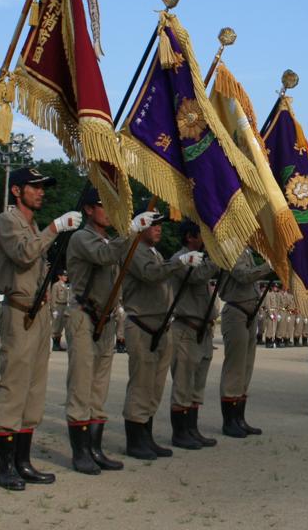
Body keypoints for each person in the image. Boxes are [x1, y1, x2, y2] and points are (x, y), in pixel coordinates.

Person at [0, 167, 82, 490]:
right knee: (14, 386)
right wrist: (55, 228)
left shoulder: (30, 224)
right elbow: (25, 253)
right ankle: (6, 467)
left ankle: (23, 461)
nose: (41, 192)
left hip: (40, 313)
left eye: (43, 187)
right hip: (18, 311)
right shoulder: (6, 221)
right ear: (17, 190)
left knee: (34, 388)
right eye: (35, 186)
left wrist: (51, 231)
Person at [64, 189, 157, 474]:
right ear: (89, 210)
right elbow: (104, 256)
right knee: (82, 385)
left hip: (105, 318)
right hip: (83, 315)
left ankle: (95, 448)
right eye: (104, 205)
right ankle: (80, 452)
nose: (110, 211)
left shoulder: (110, 240)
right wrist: (131, 232)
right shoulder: (82, 238)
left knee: (98, 388)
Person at [121, 212, 203, 459]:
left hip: (160, 325)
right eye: (153, 224)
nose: (158, 229)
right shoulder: (134, 249)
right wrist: (180, 262)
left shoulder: (155, 253)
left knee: (155, 386)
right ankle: (135, 440)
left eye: (160, 225)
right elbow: (150, 273)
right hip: (142, 323)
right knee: (141, 384)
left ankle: (146, 435)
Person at [168, 222, 220, 449]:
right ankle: (180, 433)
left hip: (202, 329)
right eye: (201, 235)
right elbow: (196, 277)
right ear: (189, 237)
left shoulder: (199, 259)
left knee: (197, 384)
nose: (204, 240)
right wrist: (218, 257)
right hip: (186, 329)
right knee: (183, 383)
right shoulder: (180, 259)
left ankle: (192, 428)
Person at [218, 247, 274, 437]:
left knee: (246, 368)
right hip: (236, 312)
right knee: (235, 368)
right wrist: (268, 266)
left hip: (249, 313)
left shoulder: (246, 251)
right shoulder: (231, 249)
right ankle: (229, 421)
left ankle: (239, 418)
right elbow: (242, 275)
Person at [50, 270, 71, 352]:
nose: (66, 277)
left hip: (64, 307)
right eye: (64, 275)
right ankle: (54, 345)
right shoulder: (56, 285)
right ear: (59, 276)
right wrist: (54, 309)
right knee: (56, 326)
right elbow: (53, 298)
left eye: (66, 275)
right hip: (58, 306)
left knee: (61, 326)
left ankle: (58, 344)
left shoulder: (65, 286)